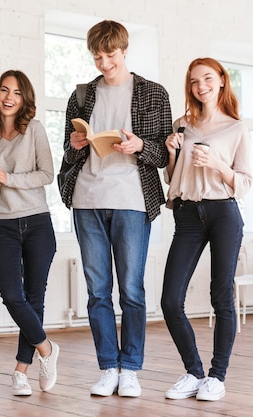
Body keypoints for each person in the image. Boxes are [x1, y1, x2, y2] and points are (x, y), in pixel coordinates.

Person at [60, 20, 172, 397]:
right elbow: (67, 152)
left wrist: (140, 145)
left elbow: (163, 155)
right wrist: (77, 143)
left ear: (124, 51)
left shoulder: (153, 94)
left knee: (132, 290)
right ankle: (108, 366)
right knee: (97, 291)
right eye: (97, 56)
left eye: (109, 55)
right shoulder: (80, 95)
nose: (103, 63)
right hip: (87, 201)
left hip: (132, 201)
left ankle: (131, 369)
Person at [161, 57, 253, 402]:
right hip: (186, 214)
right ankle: (193, 372)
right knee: (170, 299)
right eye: (194, 81)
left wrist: (217, 163)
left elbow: (243, 183)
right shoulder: (183, 124)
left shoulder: (236, 129)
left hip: (223, 213)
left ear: (221, 81)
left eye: (208, 79)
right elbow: (173, 178)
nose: (201, 86)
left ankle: (217, 376)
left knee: (221, 296)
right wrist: (172, 153)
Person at [0, 70, 59, 396]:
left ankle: (21, 371)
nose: (9, 97)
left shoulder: (34, 129)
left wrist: (8, 178)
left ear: (25, 99)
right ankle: (47, 349)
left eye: (17, 93)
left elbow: (47, 174)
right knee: (12, 296)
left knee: (34, 298)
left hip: (37, 221)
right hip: (2, 224)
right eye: (4, 91)